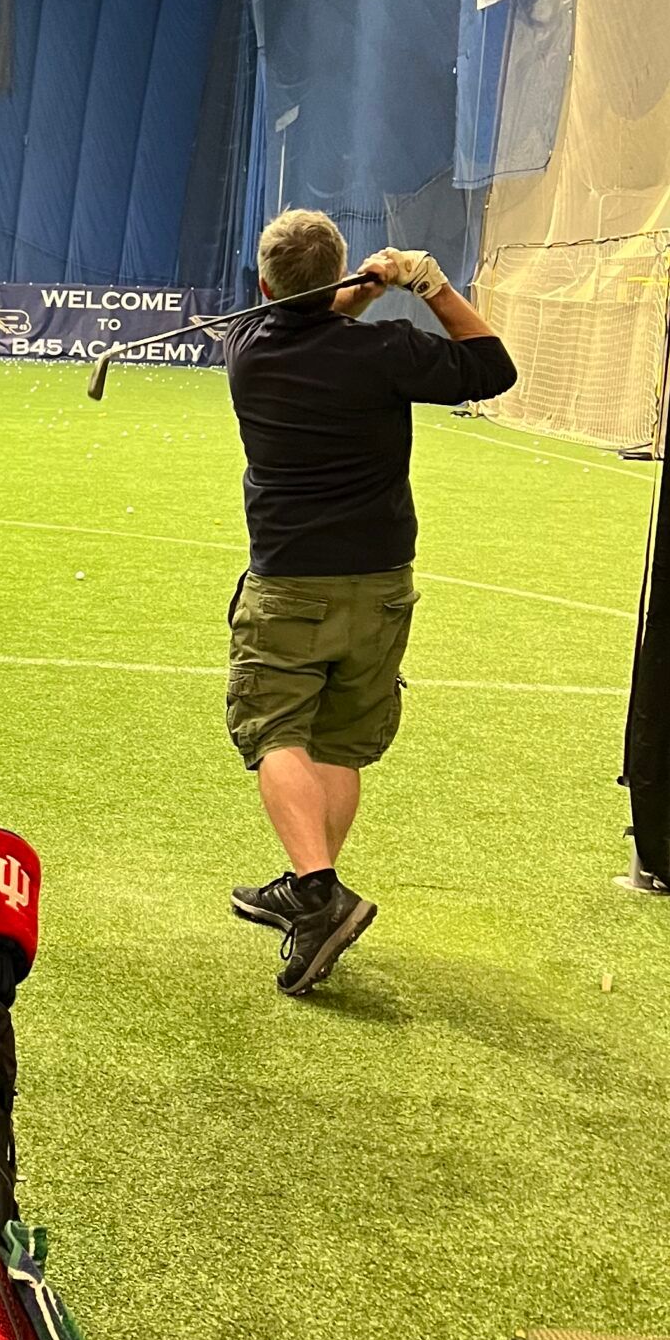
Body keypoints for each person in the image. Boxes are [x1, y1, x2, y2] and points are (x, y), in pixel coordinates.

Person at [221, 208, 517, 997]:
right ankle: (311, 883)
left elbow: (306, 320)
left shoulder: (245, 350)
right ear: (342, 279)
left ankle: (316, 893)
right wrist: (428, 287)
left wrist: (345, 294)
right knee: (340, 743)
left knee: (277, 730)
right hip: (381, 582)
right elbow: (492, 366)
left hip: (290, 582)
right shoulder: (386, 351)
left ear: (262, 286)